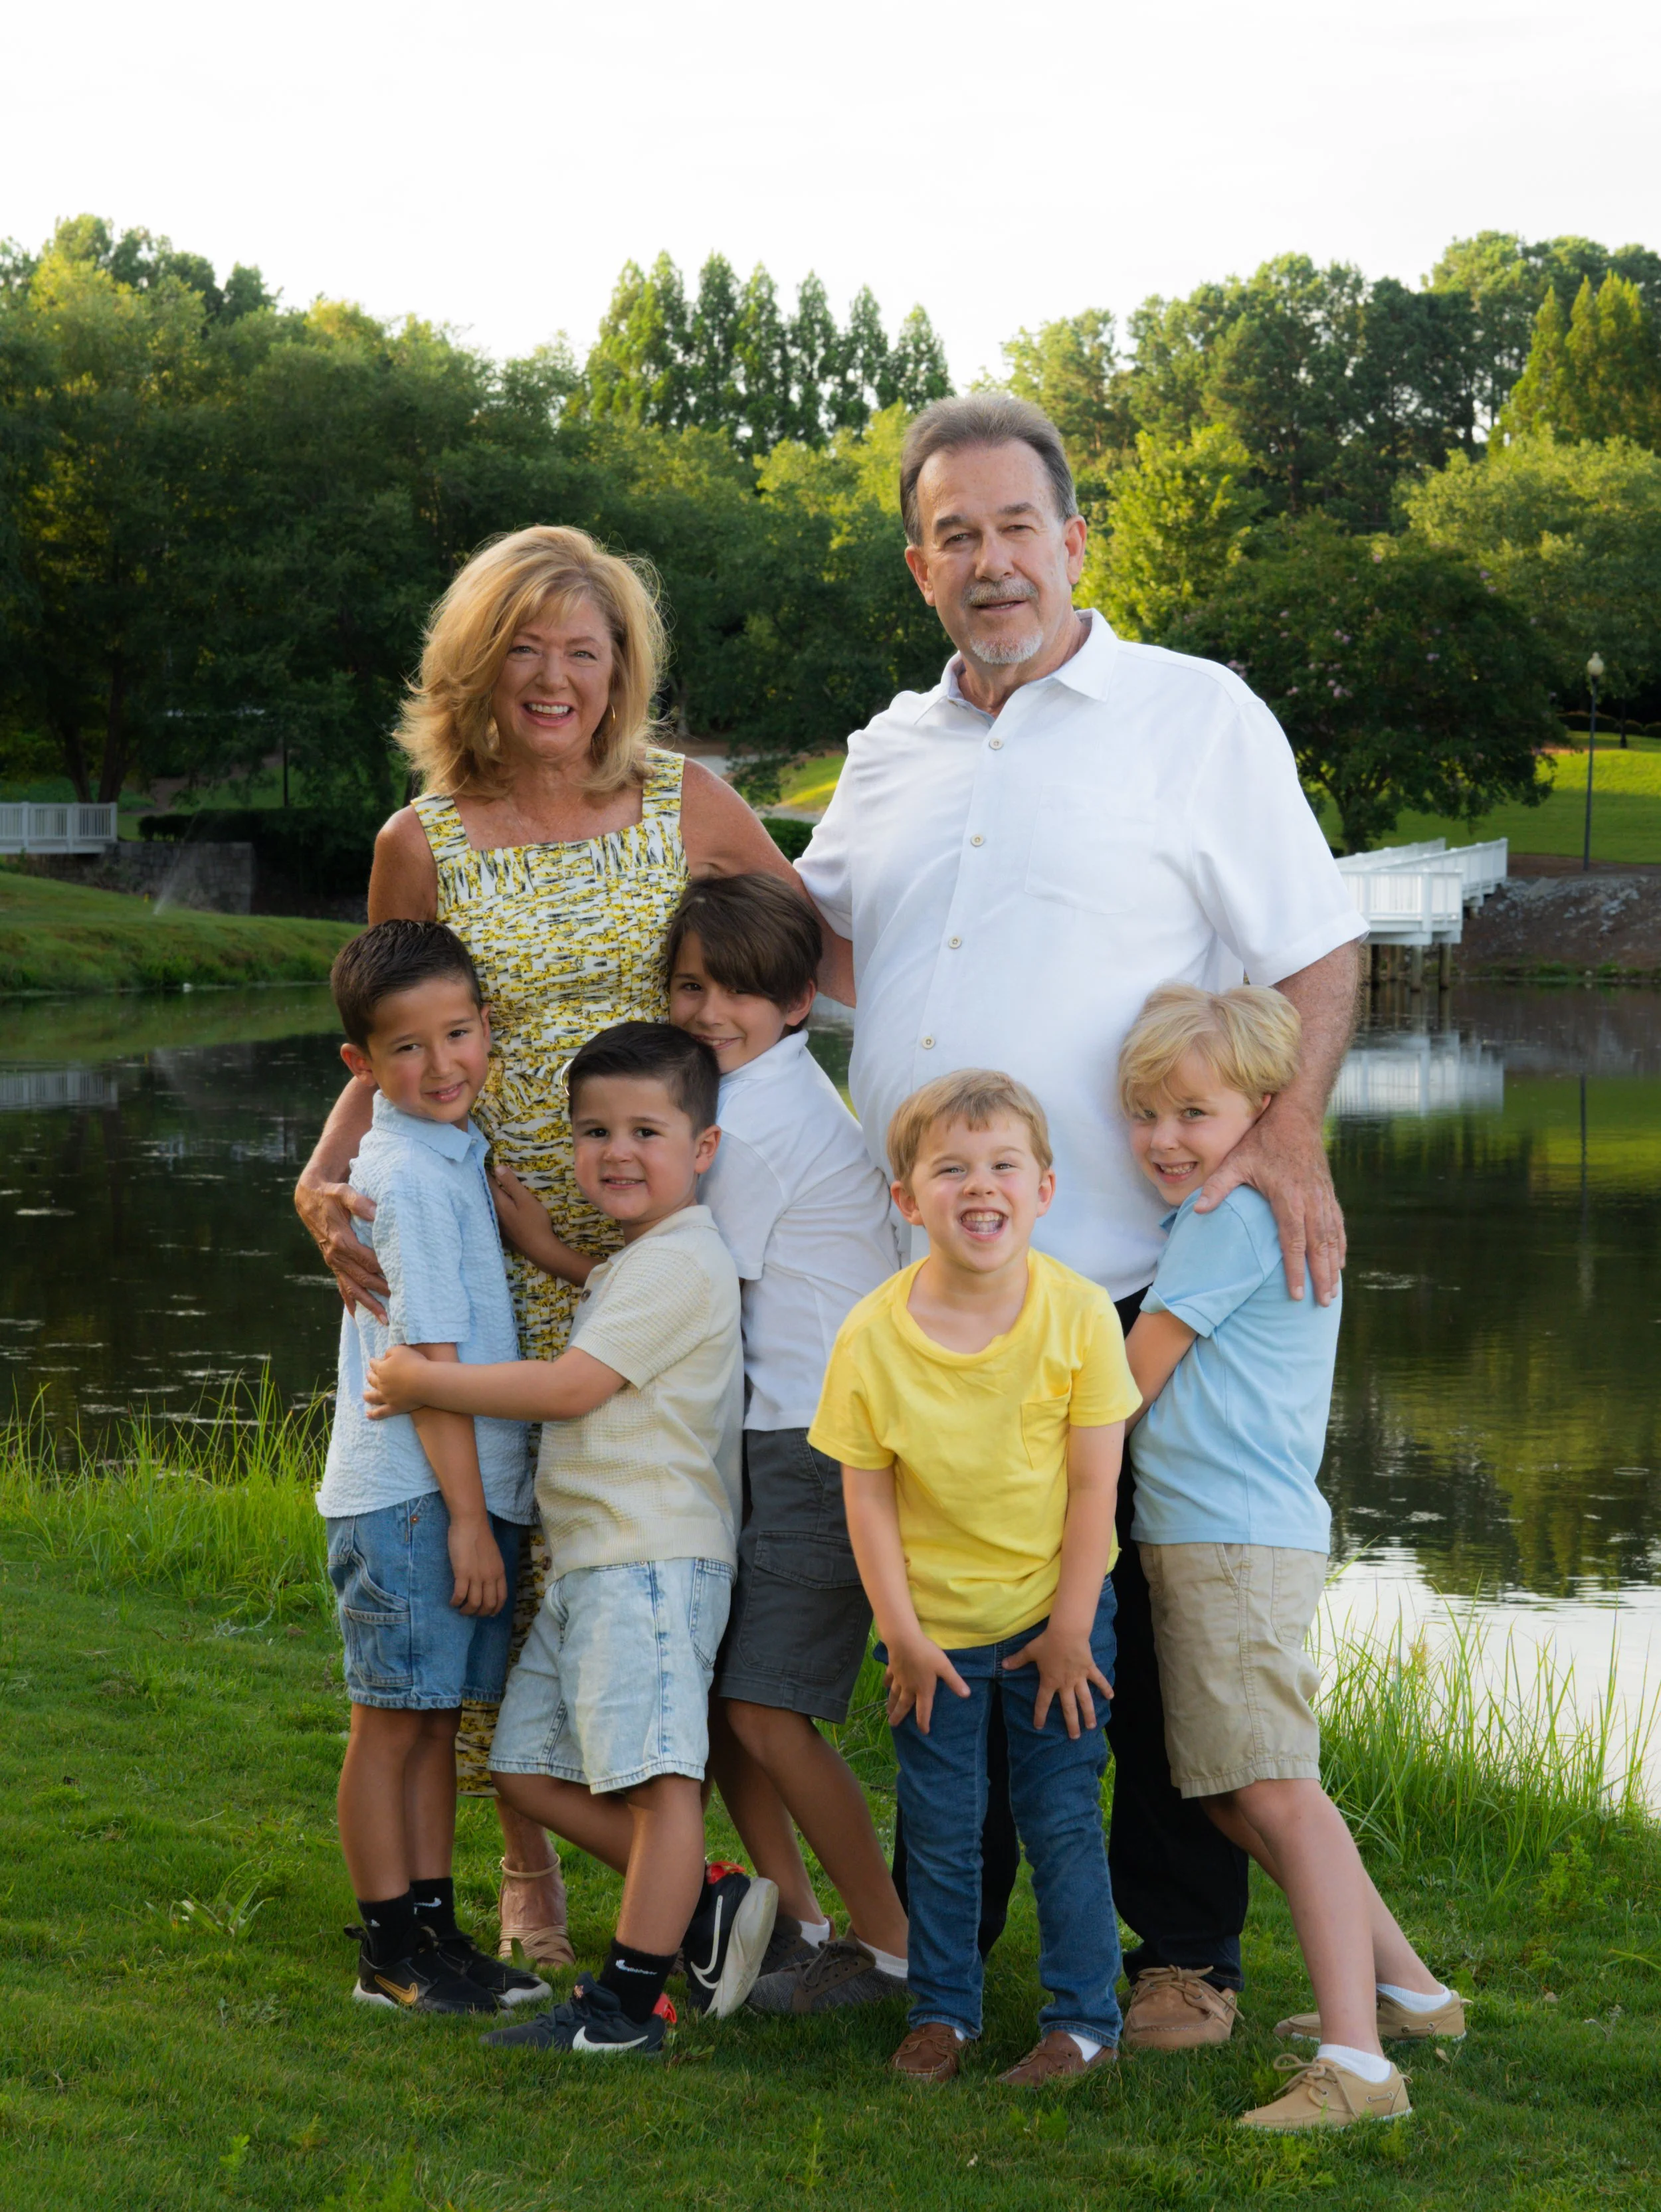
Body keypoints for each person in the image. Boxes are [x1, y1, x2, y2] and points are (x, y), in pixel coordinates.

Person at [792, 393, 1367, 2045]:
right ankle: (953, 1961)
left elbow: (1315, 945)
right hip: (938, 1290)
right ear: (919, 567)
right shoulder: (888, 750)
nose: (989, 561)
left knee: (1145, 1632)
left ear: (1072, 539)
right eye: (952, 536)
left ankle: (1180, 1960)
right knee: (967, 1620)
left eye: (1013, 527)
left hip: (1121, 1272)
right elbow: (820, 951)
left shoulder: (1192, 715)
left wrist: (1288, 1136)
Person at [294, 524, 818, 1967]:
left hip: (657, 1236)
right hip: (485, 1238)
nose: (554, 678)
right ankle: (525, 1863)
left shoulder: (686, 805)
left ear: (621, 669)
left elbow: (805, 957)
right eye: (524, 647)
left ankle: (680, 1849)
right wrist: (324, 1173)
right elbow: (397, 1029)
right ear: (476, 664)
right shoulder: (423, 838)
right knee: (507, 1553)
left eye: (584, 650)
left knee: (640, 1545)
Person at [364, 1022, 779, 2055]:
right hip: (598, 1565)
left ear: (703, 1149)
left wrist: (424, 1378)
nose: (617, 1151)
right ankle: (702, 1901)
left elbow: (570, 1386)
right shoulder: (640, 1262)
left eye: (646, 1130)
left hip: (650, 1560)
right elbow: (608, 1319)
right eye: (595, 1131)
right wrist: (551, 1249)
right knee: (524, 1768)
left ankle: (626, 2008)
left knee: (660, 1783)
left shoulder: (682, 1263)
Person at [1119, 983, 1458, 2129]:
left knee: (1274, 1789)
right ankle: (1409, 1993)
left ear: (1267, 1109)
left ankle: (1358, 2068)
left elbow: (1127, 1380)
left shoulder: (1229, 1216)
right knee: (1231, 1793)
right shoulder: (1222, 1211)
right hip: (1217, 1533)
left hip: (1231, 1538)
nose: (1165, 1138)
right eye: (1145, 1113)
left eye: (1193, 1112)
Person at [812, 1071, 1142, 2085]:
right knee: (943, 1830)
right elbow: (868, 1500)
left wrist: (1073, 1627)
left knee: (1061, 1820)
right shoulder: (872, 1334)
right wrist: (902, 1635)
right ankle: (943, 2012)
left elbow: (1095, 1487)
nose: (980, 1184)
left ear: (1044, 1189)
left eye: (1003, 1164)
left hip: (1058, 1618)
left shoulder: (1080, 1315)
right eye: (950, 1168)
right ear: (907, 1198)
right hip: (932, 1634)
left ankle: (1082, 2020)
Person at [660, 872, 912, 2012]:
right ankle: (793, 1926)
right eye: (691, 986)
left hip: (819, 1441)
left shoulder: (753, 1126)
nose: (712, 1011)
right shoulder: (757, 1092)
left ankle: (892, 1947)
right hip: (780, 1431)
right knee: (725, 1702)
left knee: (764, 1707)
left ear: (801, 999)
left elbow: (687, 1286)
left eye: (743, 991)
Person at [317, 919, 545, 2016]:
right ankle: (388, 1953)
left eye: (458, 1033)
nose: (442, 1062)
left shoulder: (455, 1150)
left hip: (454, 1490)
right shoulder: (403, 1175)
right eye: (407, 1048)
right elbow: (432, 1367)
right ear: (361, 1065)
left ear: (487, 1026)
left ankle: (437, 1937)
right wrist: (465, 1519)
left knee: (436, 1722)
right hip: (413, 1497)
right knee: (393, 1722)